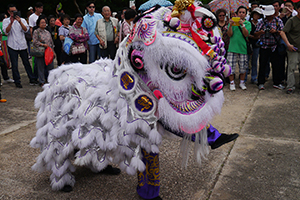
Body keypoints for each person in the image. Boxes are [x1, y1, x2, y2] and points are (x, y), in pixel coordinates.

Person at [2, 4, 37, 88]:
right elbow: (6, 32)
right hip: (12, 44)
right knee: (14, 64)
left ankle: (32, 79)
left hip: (22, 44)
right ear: (8, 12)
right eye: (12, 11)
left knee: (26, 63)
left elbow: (26, 30)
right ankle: (17, 81)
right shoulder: (5, 21)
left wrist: (20, 22)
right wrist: (11, 22)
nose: (13, 13)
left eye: (15, 11)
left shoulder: (22, 20)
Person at [254, 5, 285, 90]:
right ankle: (261, 82)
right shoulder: (261, 22)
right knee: (262, 65)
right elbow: (255, 33)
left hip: (274, 46)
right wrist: (261, 32)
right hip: (264, 46)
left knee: (276, 65)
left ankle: (277, 82)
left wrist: (276, 31)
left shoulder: (278, 21)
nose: (268, 16)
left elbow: (282, 32)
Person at [227, 6, 251, 91]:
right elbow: (229, 35)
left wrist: (242, 25)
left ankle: (242, 82)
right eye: (240, 12)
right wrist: (230, 25)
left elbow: (246, 34)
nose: (241, 14)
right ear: (237, 14)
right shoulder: (232, 23)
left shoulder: (248, 23)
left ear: (246, 14)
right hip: (232, 48)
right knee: (230, 67)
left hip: (243, 48)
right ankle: (232, 83)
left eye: (243, 12)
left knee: (243, 67)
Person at [280, 2, 300, 94]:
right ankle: (290, 86)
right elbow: (282, 32)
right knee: (291, 67)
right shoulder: (292, 20)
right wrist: (288, 44)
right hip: (294, 48)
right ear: (298, 10)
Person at [32, 16, 54, 86]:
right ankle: (41, 81)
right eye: (42, 22)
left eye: (44, 22)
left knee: (50, 66)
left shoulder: (47, 32)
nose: (44, 24)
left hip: (48, 52)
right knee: (40, 67)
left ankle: (50, 80)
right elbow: (35, 42)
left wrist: (52, 51)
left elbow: (51, 42)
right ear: (38, 24)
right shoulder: (36, 31)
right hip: (40, 51)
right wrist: (43, 45)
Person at [247, 7, 263, 84]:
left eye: (258, 15)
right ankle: (245, 77)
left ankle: (254, 77)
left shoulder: (261, 23)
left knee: (254, 62)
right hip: (249, 43)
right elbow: (247, 34)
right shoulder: (248, 22)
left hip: (257, 44)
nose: (257, 16)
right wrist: (253, 36)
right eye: (255, 14)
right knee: (246, 61)